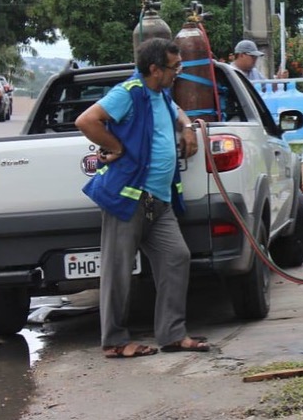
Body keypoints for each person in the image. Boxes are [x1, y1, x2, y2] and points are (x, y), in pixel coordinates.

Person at [75, 38, 210, 359]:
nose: (178, 73)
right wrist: (117, 147)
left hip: (159, 201)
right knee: (119, 271)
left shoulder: (160, 93)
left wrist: (188, 126)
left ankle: (173, 334)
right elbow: (86, 120)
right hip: (130, 198)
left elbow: (175, 109)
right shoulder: (129, 93)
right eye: (174, 67)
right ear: (154, 69)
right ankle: (116, 342)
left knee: (177, 257)